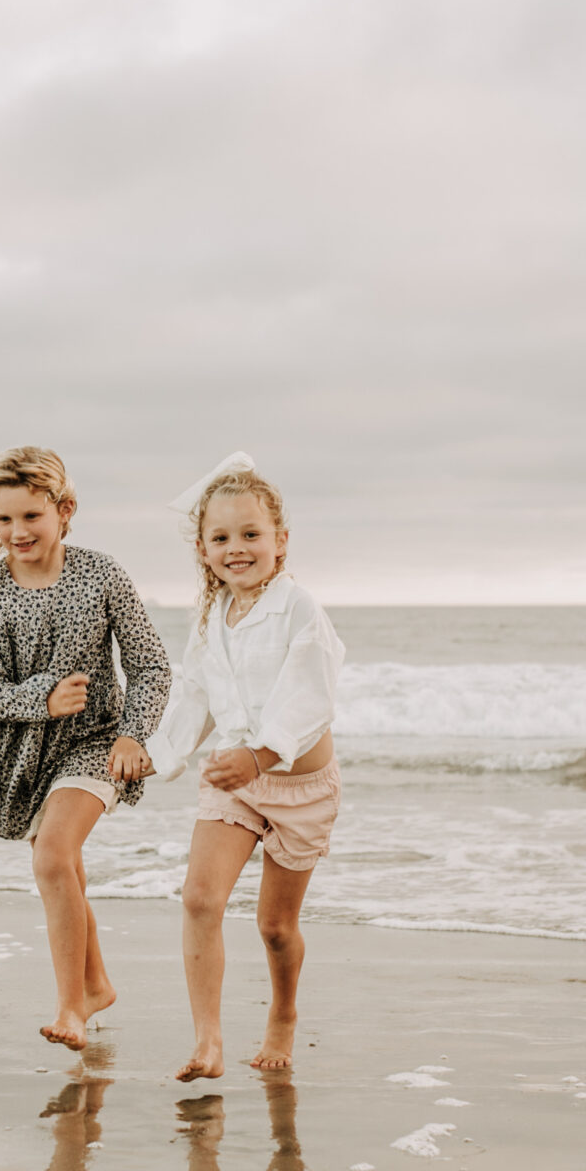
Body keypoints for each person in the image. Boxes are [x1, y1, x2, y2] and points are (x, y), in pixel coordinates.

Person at [0, 447, 172, 1051]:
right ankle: (94, 985)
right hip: (24, 752)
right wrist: (41, 700)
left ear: (64, 511)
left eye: (31, 517)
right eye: (4, 521)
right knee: (64, 868)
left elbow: (150, 665)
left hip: (97, 742)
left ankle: (71, 1006)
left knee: (51, 858)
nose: (17, 532)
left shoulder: (101, 573)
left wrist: (133, 733)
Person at [145, 453, 346, 1081]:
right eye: (221, 537)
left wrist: (259, 754)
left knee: (276, 927)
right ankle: (208, 1042)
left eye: (251, 535)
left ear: (280, 543)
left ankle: (282, 1012)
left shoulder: (298, 608)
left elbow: (309, 694)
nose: (237, 548)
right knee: (200, 898)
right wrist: (154, 758)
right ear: (203, 550)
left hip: (299, 786)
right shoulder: (209, 618)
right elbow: (196, 695)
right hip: (235, 783)